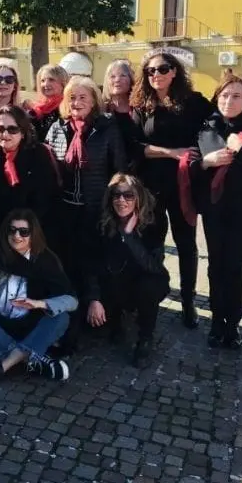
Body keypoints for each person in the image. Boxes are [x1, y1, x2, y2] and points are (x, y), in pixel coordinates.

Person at [42, 76, 129, 353]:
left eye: (82, 97)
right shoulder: (57, 128)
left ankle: (106, 319)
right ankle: (71, 322)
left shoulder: (106, 129)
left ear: (93, 101)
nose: (76, 102)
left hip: (97, 209)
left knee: (97, 264)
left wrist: (117, 207)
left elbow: (120, 170)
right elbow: (47, 166)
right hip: (65, 210)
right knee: (68, 264)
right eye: (71, 98)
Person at [190, 75, 242, 349]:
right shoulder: (206, 128)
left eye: (237, 96)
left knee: (236, 267)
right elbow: (190, 166)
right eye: (225, 95)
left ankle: (233, 325)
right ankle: (217, 322)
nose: (229, 101)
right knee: (216, 266)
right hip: (214, 210)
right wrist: (207, 162)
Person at [131, 52, 213, 329]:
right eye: (150, 71)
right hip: (151, 186)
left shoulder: (194, 102)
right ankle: (153, 294)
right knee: (153, 244)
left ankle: (188, 302)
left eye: (162, 69)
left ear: (175, 71)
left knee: (186, 244)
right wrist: (172, 152)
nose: (156, 74)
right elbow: (137, 147)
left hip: (183, 185)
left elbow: (220, 121)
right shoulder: (142, 105)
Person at [0, 206, 76, 386]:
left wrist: (39, 303)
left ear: (33, 234)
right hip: (0, 322)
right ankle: (33, 360)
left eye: (24, 232)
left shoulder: (46, 261)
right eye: (12, 230)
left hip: (30, 323)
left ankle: (3, 366)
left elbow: (71, 300)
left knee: (61, 318)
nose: (17, 236)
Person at [81, 173, 170, 366]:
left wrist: (129, 236)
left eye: (128, 195)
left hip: (145, 279)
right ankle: (115, 320)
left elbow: (153, 266)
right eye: (117, 195)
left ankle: (145, 338)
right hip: (113, 279)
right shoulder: (101, 221)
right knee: (94, 327)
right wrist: (94, 298)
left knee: (148, 286)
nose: (122, 200)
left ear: (138, 197)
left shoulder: (154, 221)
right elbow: (92, 261)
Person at [0, 105, 59, 230]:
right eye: (0, 129)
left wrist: (22, 227)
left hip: (32, 226)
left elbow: (45, 195)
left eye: (12, 129)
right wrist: (1, 227)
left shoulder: (38, 153)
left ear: (23, 132)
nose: (5, 134)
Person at [26, 64, 68, 142]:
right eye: (42, 81)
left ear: (63, 84)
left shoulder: (67, 109)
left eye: (51, 79)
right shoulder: (35, 109)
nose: (46, 84)